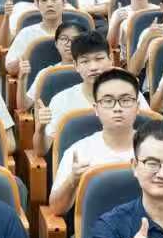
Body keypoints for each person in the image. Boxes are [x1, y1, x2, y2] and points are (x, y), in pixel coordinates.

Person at [49, 68, 144, 214]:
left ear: (137, 107)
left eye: (125, 100)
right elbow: (56, 209)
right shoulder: (79, 151)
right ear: (96, 108)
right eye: (108, 101)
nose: (117, 108)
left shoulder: (157, 149)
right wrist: (73, 180)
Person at [5, 0, 68, 80]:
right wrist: (28, 55)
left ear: (64, 3)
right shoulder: (26, 33)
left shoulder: (74, 33)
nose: (49, 4)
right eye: (44, 0)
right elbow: (10, 68)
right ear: (37, 5)